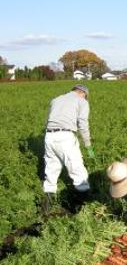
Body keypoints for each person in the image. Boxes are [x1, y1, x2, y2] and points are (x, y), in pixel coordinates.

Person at [42, 84, 94, 213]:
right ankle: (80, 208)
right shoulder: (81, 101)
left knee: (51, 170)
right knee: (77, 170)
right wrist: (88, 145)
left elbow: (49, 119)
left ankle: (46, 208)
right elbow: (82, 123)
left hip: (49, 137)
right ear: (83, 93)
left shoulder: (56, 99)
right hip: (65, 137)